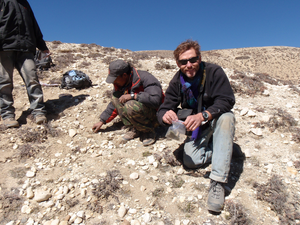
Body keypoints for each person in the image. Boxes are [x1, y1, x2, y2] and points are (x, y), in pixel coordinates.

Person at [157, 40, 235, 213]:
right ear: (178, 64)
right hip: (196, 128)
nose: (189, 65)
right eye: (183, 62)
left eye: (193, 60)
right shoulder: (177, 81)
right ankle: (224, 149)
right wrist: (165, 115)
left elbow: (227, 100)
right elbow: (164, 107)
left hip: (213, 119)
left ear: (199, 58)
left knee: (227, 117)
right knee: (191, 161)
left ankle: (218, 182)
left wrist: (203, 115)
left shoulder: (214, 72)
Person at [0, 0, 49, 128]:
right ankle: (7, 116)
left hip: (26, 48)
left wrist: (42, 46)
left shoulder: (25, 3)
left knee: (32, 79)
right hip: (4, 48)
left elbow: (34, 26)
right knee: (4, 82)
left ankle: (38, 112)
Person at [92, 59, 164, 146]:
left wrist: (133, 96)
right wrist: (102, 121)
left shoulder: (145, 77)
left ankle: (148, 131)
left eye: (115, 79)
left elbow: (156, 100)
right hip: (141, 112)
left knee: (130, 105)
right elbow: (114, 105)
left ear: (124, 75)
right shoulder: (120, 84)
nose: (114, 82)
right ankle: (135, 128)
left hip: (157, 115)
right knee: (116, 97)